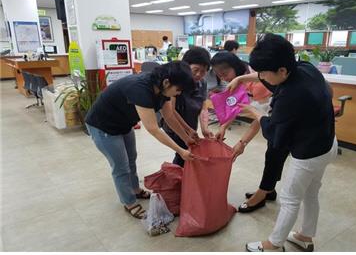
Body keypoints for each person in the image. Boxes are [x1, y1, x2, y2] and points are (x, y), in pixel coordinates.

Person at [228, 33, 337, 252]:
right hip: (328, 143)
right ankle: (305, 236)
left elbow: (273, 134)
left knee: (289, 199)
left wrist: (255, 112)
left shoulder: (290, 96)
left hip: (308, 153)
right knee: (311, 193)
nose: (261, 78)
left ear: (282, 71)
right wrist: (241, 79)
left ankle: (273, 244)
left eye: (265, 73)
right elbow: (329, 91)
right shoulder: (306, 68)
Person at [85, 61, 196, 219]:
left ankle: (135, 190)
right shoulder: (140, 88)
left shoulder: (163, 89)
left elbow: (169, 116)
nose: (178, 94)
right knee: (121, 167)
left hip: (123, 124)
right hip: (103, 126)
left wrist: (186, 140)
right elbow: (153, 129)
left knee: (131, 159)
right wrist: (180, 150)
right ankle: (129, 202)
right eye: (178, 89)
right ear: (166, 82)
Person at [210, 52, 271, 162]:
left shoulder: (257, 84)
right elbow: (235, 106)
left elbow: (259, 120)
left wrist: (242, 143)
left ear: (235, 66)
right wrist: (223, 126)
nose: (223, 78)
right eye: (219, 76)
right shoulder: (236, 81)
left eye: (225, 73)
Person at [161, 47, 214, 166]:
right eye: (195, 69)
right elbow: (171, 111)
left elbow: (203, 107)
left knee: (186, 153)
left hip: (191, 121)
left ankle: (183, 179)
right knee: (184, 153)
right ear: (186, 65)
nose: (199, 74)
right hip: (174, 124)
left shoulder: (202, 83)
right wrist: (187, 130)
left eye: (204, 71)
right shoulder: (178, 80)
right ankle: (179, 179)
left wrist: (205, 128)